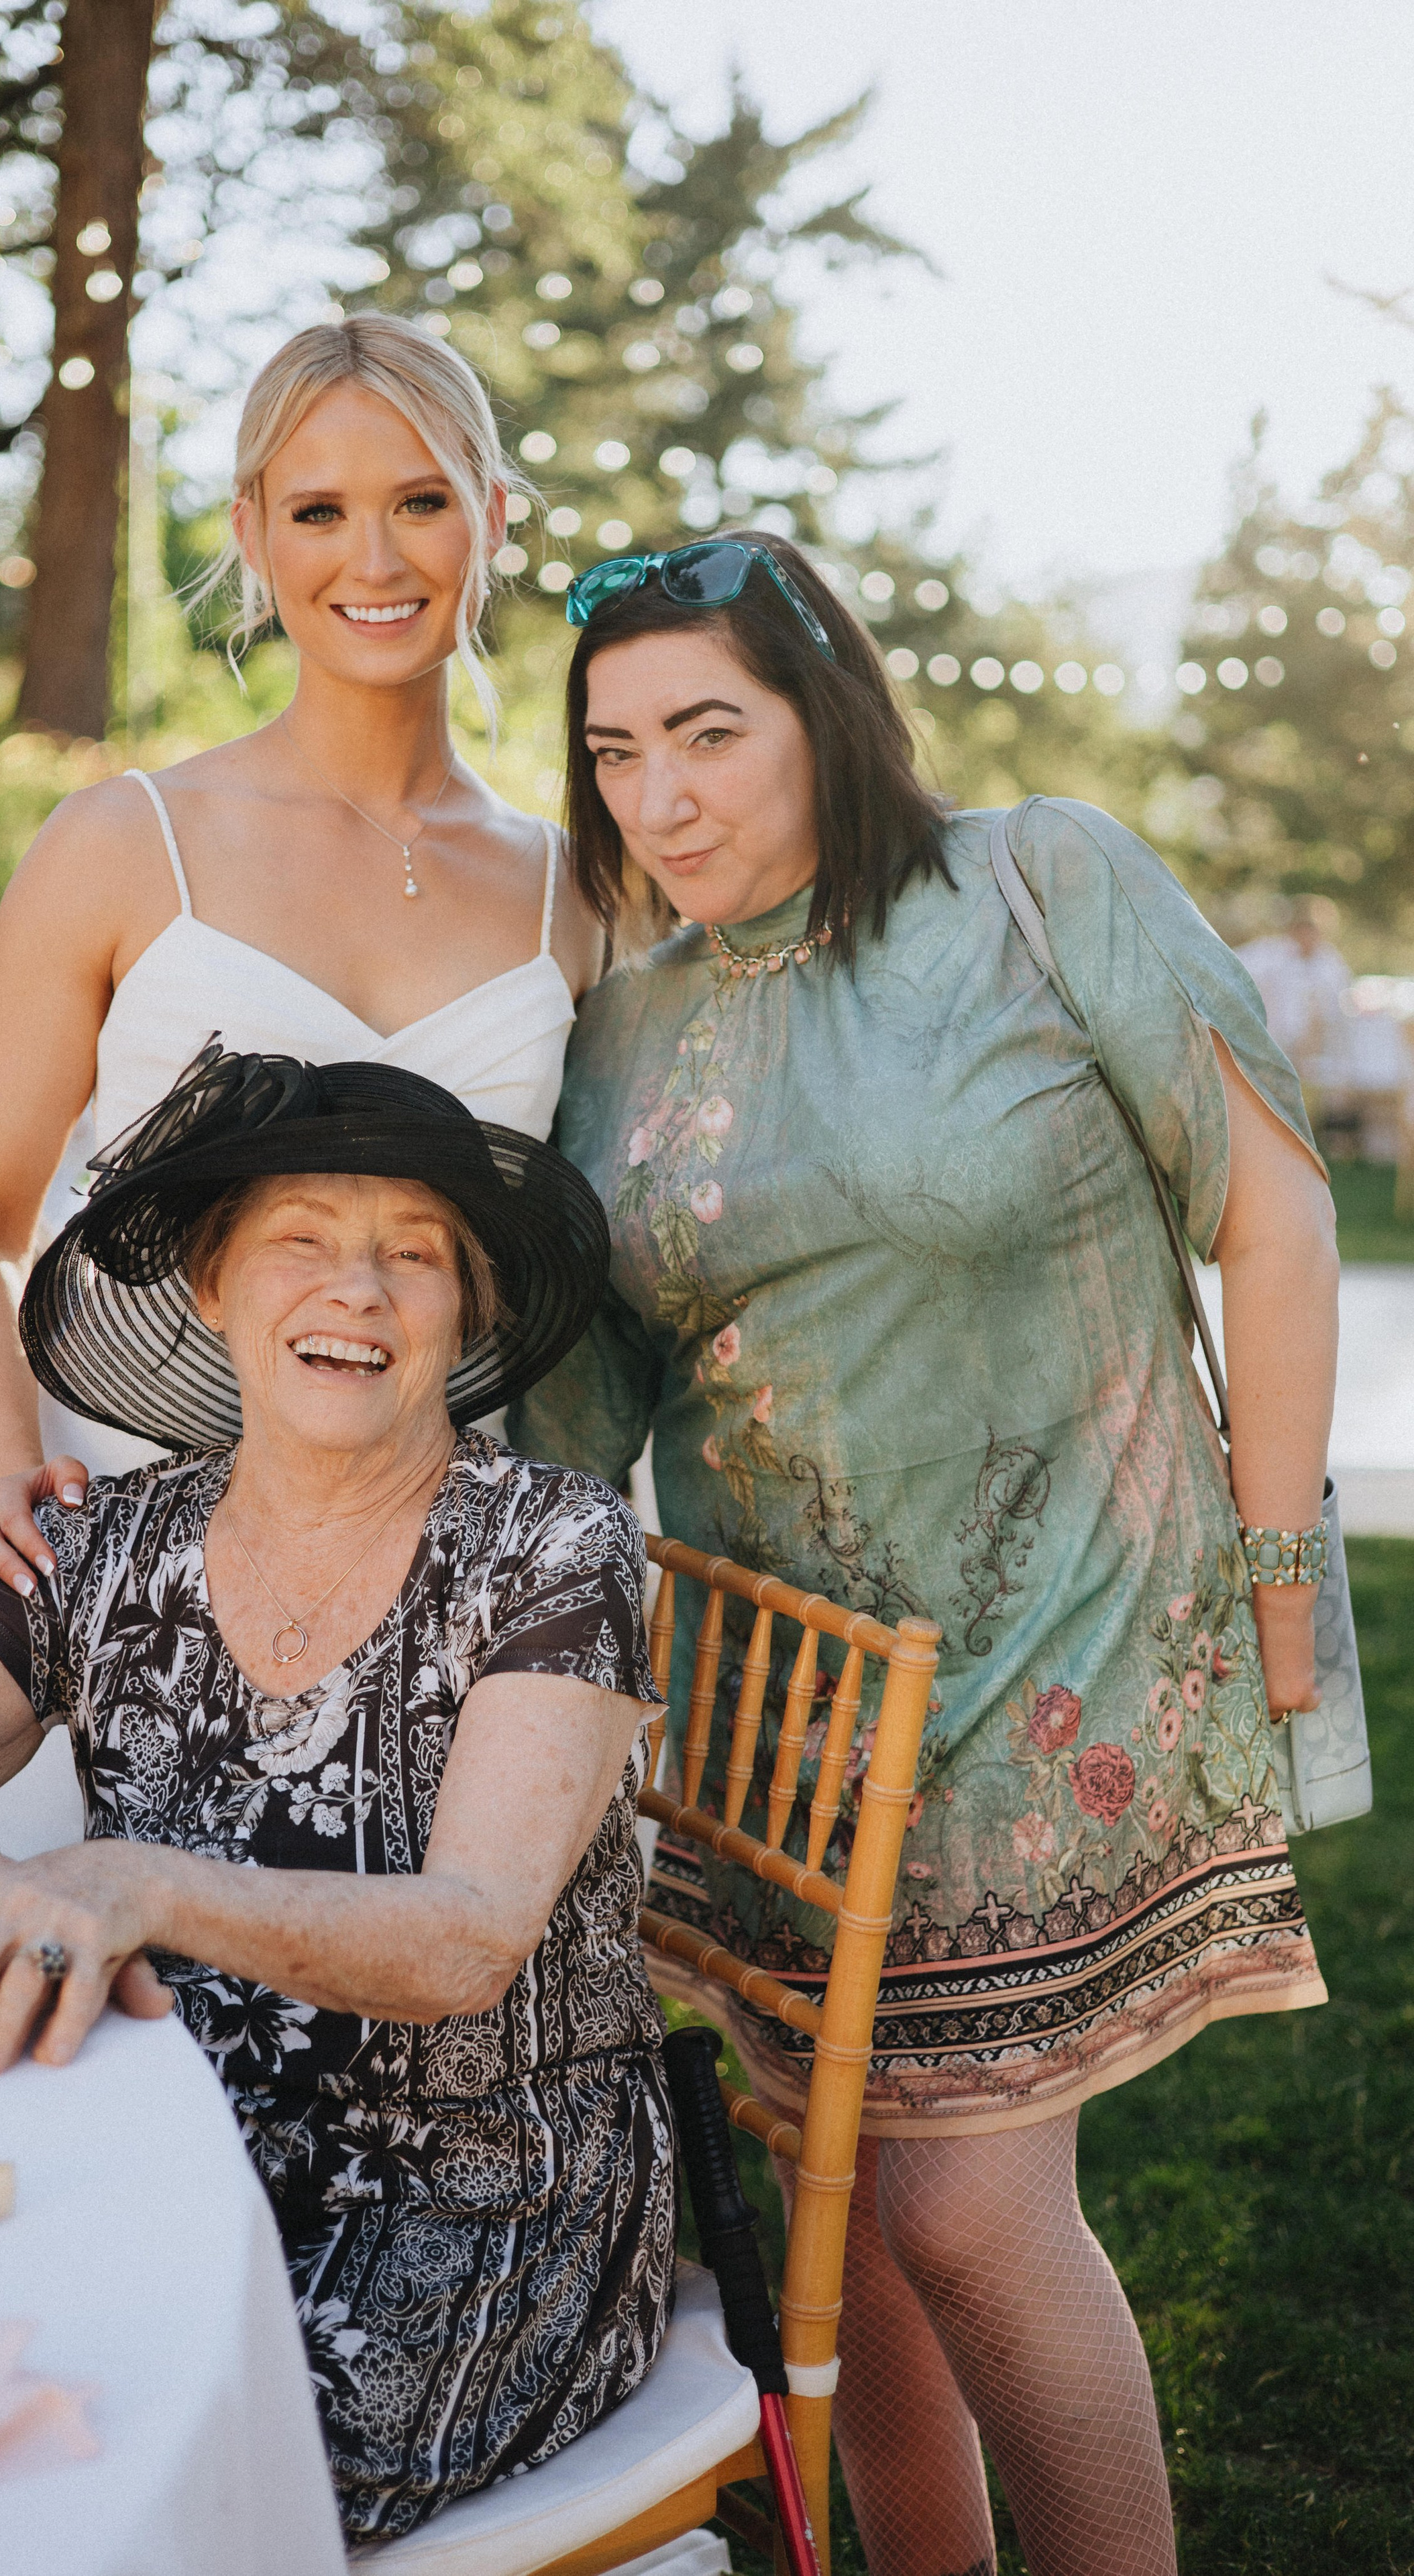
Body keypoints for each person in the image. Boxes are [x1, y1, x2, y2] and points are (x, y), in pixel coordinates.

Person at [508, 533, 1340, 2576]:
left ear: (830, 716)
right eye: (614, 754)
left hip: (1061, 1658)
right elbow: (569, 1416)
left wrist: (1276, 1584)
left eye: (709, 732)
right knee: (838, 2208)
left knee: (965, 2211)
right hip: (777, 1715)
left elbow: (1273, 1210)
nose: (660, 797)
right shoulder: (618, 1034)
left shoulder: (1038, 885)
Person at [0, 1047, 674, 2542]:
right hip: (161, 2136)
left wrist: (138, 1891)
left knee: (135, 2474)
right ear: (215, 1286)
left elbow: (469, 1937)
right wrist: (22, 1909)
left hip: (478, 2193)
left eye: (412, 1256)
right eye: (301, 1239)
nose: (354, 1290)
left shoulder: (550, 1546)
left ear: (465, 1312)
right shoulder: (105, 1543)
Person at [0, 311, 601, 1610]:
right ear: (248, 532)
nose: (375, 558)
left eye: (419, 501)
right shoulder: (122, 845)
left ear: (494, 519)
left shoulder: (571, 896)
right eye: (318, 513)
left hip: (443, 1592)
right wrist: (2, 1477)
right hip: (136, 1571)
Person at [1236, 894, 1352, 1081]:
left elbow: (1336, 1014)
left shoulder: (1332, 965)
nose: (1308, 935)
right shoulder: (1268, 954)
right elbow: (1233, 971)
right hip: (1270, 1051)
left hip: (1316, 1060)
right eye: (1304, 927)